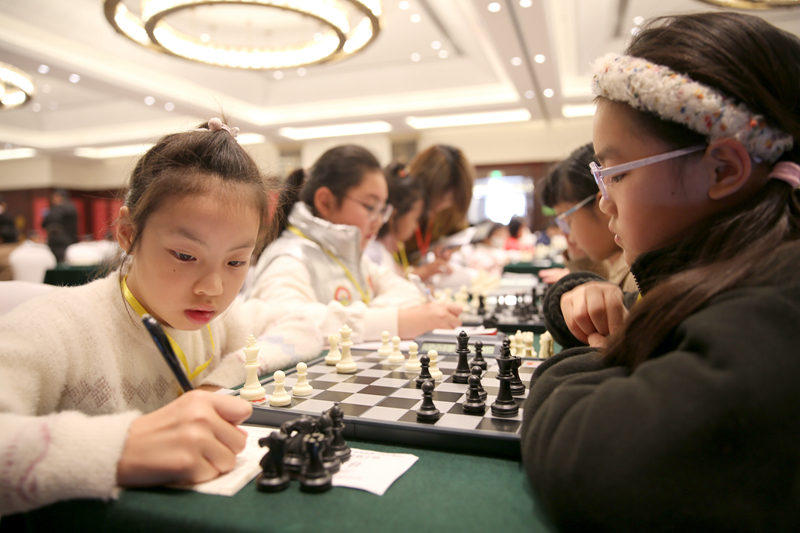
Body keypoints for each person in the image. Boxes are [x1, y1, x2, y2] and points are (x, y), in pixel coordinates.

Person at [521, 12, 800, 531]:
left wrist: (598, 357)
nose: (604, 202)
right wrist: (586, 302)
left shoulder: (779, 303)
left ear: (723, 169)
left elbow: (589, 461)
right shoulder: (725, 271)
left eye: (617, 174)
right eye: (600, 177)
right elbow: (629, 311)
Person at [0, 118, 321, 515]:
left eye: (237, 261)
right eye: (185, 255)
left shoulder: (220, 321)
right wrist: (123, 446)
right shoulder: (58, 326)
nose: (213, 288)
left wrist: (218, 383)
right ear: (126, 232)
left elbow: (302, 329)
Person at [246, 144, 462, 343]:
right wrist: (395, 321)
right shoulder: (288, 259)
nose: (379, 221)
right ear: (325, 202)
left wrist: (361, 318)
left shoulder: (350, 256)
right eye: (370, 207)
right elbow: (291, 325)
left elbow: (407, 292)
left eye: (383, 210)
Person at [537, 143, 637, 291]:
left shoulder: (638, 275)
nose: (568, 237)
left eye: (567, 222)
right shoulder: (621, 265)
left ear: (603, 204)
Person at [403, 145, 475, 278]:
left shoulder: (452, 210)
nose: (442, 206)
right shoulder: (400, 206)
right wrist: (418, 272)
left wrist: (447, 248)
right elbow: (380, 263)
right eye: (438, 198)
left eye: (450, 200)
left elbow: (459, 235)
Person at [365, 162, 426, 278]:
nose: (416, 226)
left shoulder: (385, 251)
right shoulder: (374, 254)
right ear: (392, 216)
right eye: (415, 219)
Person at [42, 188, 79, 263]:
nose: (52, 200)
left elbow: (46, 221)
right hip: (70, 241)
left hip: (61, 244)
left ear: (59, 196)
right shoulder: (71, 207)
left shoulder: (62, 208)